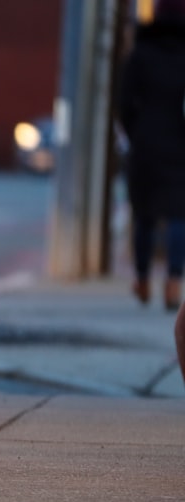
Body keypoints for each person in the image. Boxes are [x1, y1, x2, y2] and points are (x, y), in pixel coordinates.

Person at [118, 0, 185, 311]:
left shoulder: (141, 55)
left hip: (145, 144)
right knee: (178, 216)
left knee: (144, 216)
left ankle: (142, 278)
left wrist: (137, 132)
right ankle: (173, 281)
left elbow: (123, 102)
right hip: (179, 144)